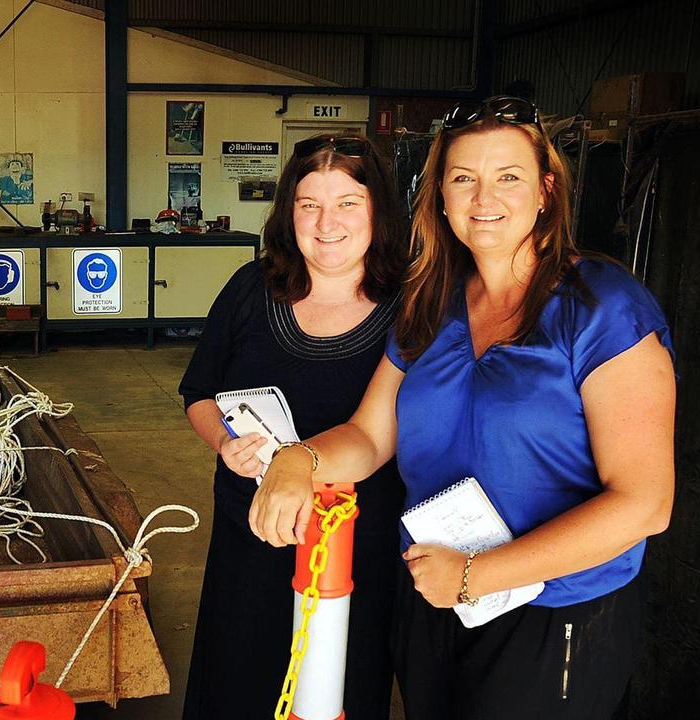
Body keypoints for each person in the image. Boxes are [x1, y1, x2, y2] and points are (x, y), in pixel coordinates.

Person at [250, 97, 675, 720]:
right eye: (463, 179)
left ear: (545, 190)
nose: (484, 198)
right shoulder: (432, 303)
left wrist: (479, 573)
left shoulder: (603, 309)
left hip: (552, 612)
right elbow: (369, 438)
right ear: (441, 198)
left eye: (508, 177)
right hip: (434, 594)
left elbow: (645, 502)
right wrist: (299, 459)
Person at [179, 134, 407, 720]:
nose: (326, 222)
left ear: (378, 210)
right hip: (251, 540)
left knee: (339, 688)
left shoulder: (412, 307)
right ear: (289, 213)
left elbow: (386, 433)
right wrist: (226, 443)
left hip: (357, 550)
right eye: (309, 204)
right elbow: (198, 392)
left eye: (347, 203)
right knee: (239, 682)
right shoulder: (251, 290)